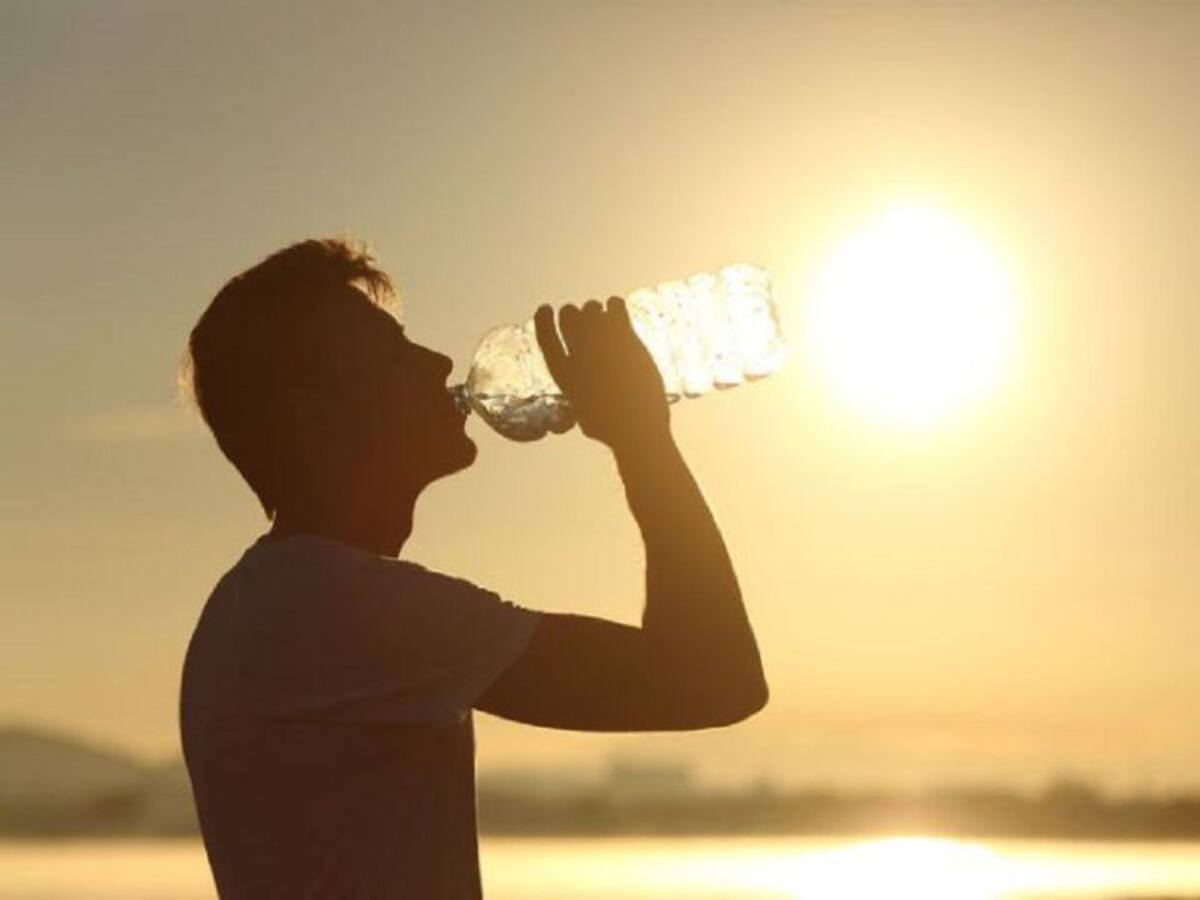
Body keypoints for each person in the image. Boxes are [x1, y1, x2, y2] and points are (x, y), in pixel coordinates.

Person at [179, 238, 768, 899]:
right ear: (317, 415)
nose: (437, 362)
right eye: (393, 355)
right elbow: (713, 680)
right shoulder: (332, 606)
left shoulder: (270, 603)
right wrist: (641, 436)